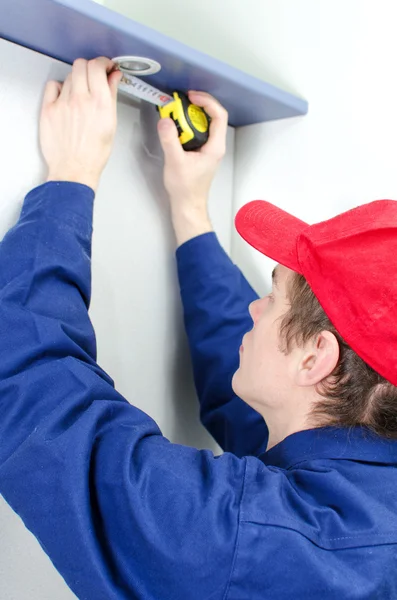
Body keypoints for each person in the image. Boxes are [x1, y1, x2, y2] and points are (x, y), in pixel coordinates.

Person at [0, 56, 396, 600]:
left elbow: (30, 389)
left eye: (270, 295)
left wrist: (71, 175)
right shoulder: (365, 492)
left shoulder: (248, 542)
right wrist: (190, 211)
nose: (254, 311)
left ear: (316, 359)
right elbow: (252, 387)